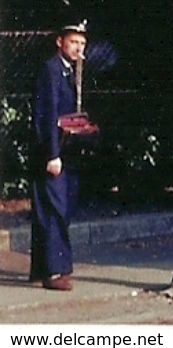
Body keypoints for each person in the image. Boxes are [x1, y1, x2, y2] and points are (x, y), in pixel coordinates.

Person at [30, 21, 88, 291]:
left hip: (65, 151)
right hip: (52, 154)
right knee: (55, 211)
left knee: (56, 210)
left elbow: (65, 116)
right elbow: (47, 115)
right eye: (74, 42)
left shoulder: (68, 72)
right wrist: (52, 154)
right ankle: (54, 272)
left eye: (82, 44)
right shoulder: (51, 70)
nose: (78, 48)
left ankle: (44, 269)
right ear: (59, 42)